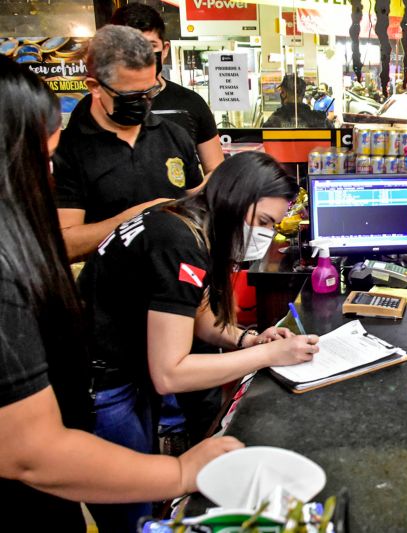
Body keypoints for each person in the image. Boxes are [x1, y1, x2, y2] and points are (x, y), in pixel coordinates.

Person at [0, 55, 242, 531]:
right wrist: (180, 471)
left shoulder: (171, 135)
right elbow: (30, 451)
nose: (47, 172)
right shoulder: (8, 273)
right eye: (40, 157)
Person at [77, 151, 321, 531]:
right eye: (262, 222)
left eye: (273, 226)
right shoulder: (177, 240)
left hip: (124, 376)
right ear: (235, 198)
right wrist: (269, 355)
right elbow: (170, 374)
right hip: (102, 387)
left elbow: (200, 320)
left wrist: (249, 340)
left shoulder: (189, 221)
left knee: (141, 498)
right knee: (131, 512)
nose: (265, 235)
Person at [55, 25, 204, 261]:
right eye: (131, 97)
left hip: (175, 285)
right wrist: (136, 219)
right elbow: (65, 245)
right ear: (94, 87)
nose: (143, 103)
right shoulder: (68, 151)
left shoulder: (174, 135)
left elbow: (196, 204)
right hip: (109, 289)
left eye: (150, 92)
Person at [108, 3, 225, 176]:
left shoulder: (191, 103)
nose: (141, 55)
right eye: (130, 46)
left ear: (164, 50)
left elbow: (215, 171)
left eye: (150, 45)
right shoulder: (95, 106)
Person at [262, 74, 333, 128]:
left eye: (281, 91)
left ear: (283, 93)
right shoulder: (320, 119)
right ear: (303, 94)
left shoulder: (275, 119)